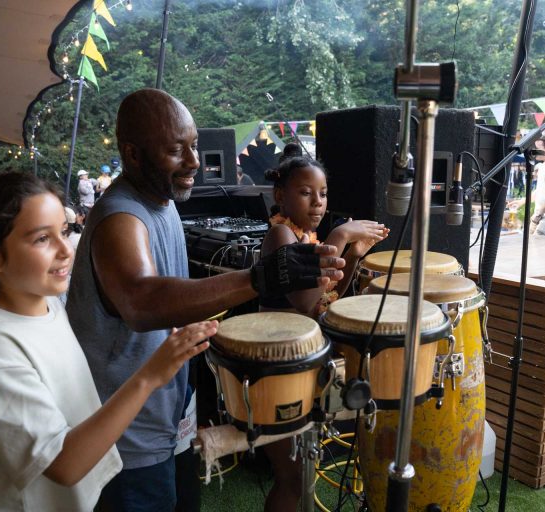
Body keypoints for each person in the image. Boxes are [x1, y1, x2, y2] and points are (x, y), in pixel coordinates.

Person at [65, 88, 344, 512]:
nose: (195, 161)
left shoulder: (162, 204)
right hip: (127, 433)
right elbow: (141, 301)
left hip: (167, 415)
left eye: (194, 146)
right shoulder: (120, 216)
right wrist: (259, 278)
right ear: (133, 154)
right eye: (176, 150)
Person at [0, 171, 216, 511]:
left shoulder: (50, 305)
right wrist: (150, 376)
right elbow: (64, 464)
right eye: (42, 239)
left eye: (64, 231)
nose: (66, 249)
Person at [258, 155, 388, 511]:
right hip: (276, 368)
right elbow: (303, 302)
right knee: (292, 477)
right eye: (306, 193)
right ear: (280, 196)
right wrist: (340, 235)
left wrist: (354, 255)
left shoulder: (306, 237)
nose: (318, 202)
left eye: (323, 193)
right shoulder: (281, 234)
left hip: (298, 361)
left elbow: (325, 299)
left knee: (302, 472)